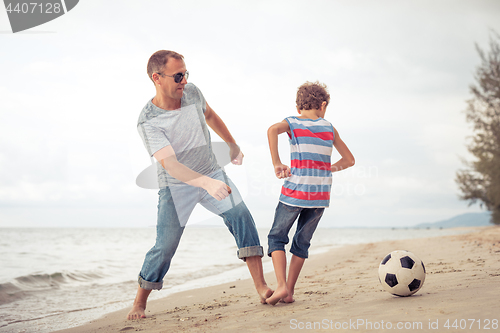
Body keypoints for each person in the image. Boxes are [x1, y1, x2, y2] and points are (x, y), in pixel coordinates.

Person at [127, 50, 272, 320]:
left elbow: (211, 116)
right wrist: (205, 184)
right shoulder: (148, 120)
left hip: (210, 171)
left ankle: (262, 287)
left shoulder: (192, 93)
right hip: (175, 186)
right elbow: (170, 165)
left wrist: (232, 144)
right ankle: (139, 302)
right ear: (156, 78)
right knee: (165, 245)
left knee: (241, 215)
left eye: (186, 74)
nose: (184, 80)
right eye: (178, 75)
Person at [265, 81, 355, 305]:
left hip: (294, 192)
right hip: (319, 197)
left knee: (276, 238)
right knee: (301, 243)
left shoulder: (292, 122)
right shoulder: (329, 128)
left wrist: (277, 162)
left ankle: (281, 285)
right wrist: (328, 168)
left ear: (299, 108)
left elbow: (272, 130)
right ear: (323, 105)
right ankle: (290, 291)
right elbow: (350, 160)